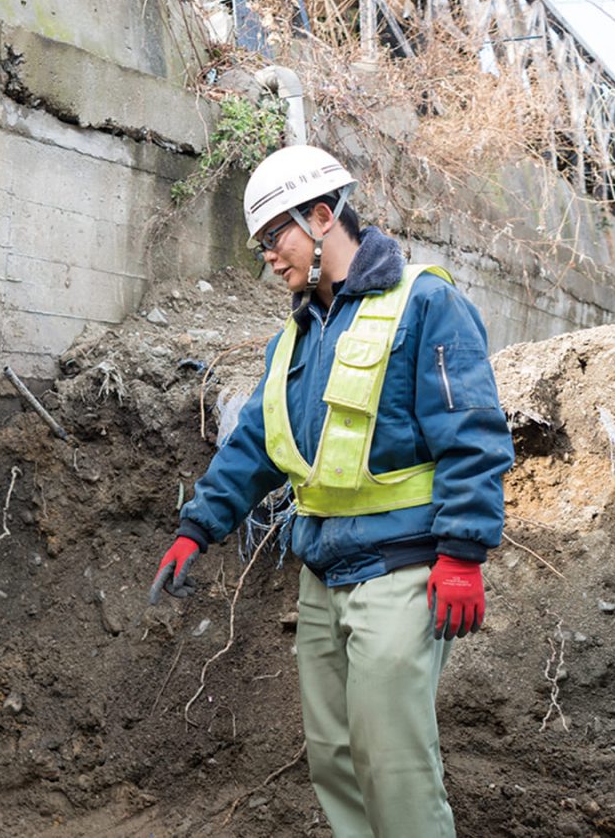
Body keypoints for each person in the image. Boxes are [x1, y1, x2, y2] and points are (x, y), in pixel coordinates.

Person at [149, 145, 514, 836]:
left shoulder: (426, 303)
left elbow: (474, 434)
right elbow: (257, 439)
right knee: (336, 761)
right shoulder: (296, 335)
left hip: (402, 571)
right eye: (260, 248)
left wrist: (464, 551)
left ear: (321, 217)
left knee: (394, 766)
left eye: (274, 239)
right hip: (323, 573)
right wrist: (197, 524)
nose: (269, 261)